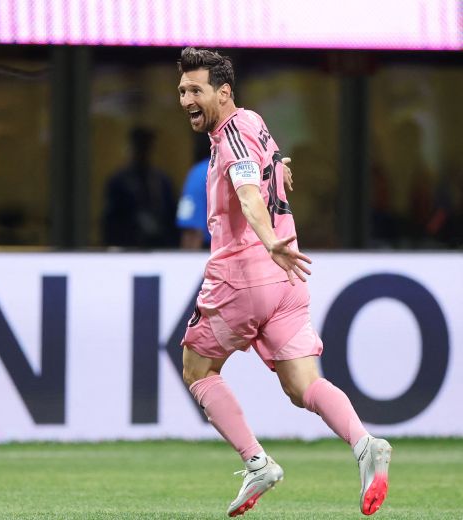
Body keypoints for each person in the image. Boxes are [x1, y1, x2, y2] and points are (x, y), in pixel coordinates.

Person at [175, 47, 391, 517]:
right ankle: (365, 443)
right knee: (303, 385)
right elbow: (263, 169)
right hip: (286, 281)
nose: (187, 98)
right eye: (182, 91)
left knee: (197, 369)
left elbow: (249, 196)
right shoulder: (251, 122)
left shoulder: (230, 139)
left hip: (244, 275)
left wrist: (269, 239)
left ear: (223, 92)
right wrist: (281, 175)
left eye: (196, 90)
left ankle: (257, 462)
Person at [103, 127, 179, 248]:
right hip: (127, 245)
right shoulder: (119, 182)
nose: (142, 153)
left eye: (146, 148)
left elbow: (171, 216)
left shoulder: (161, 181)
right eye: (139, 147)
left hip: (159, 246)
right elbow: (111, 221)